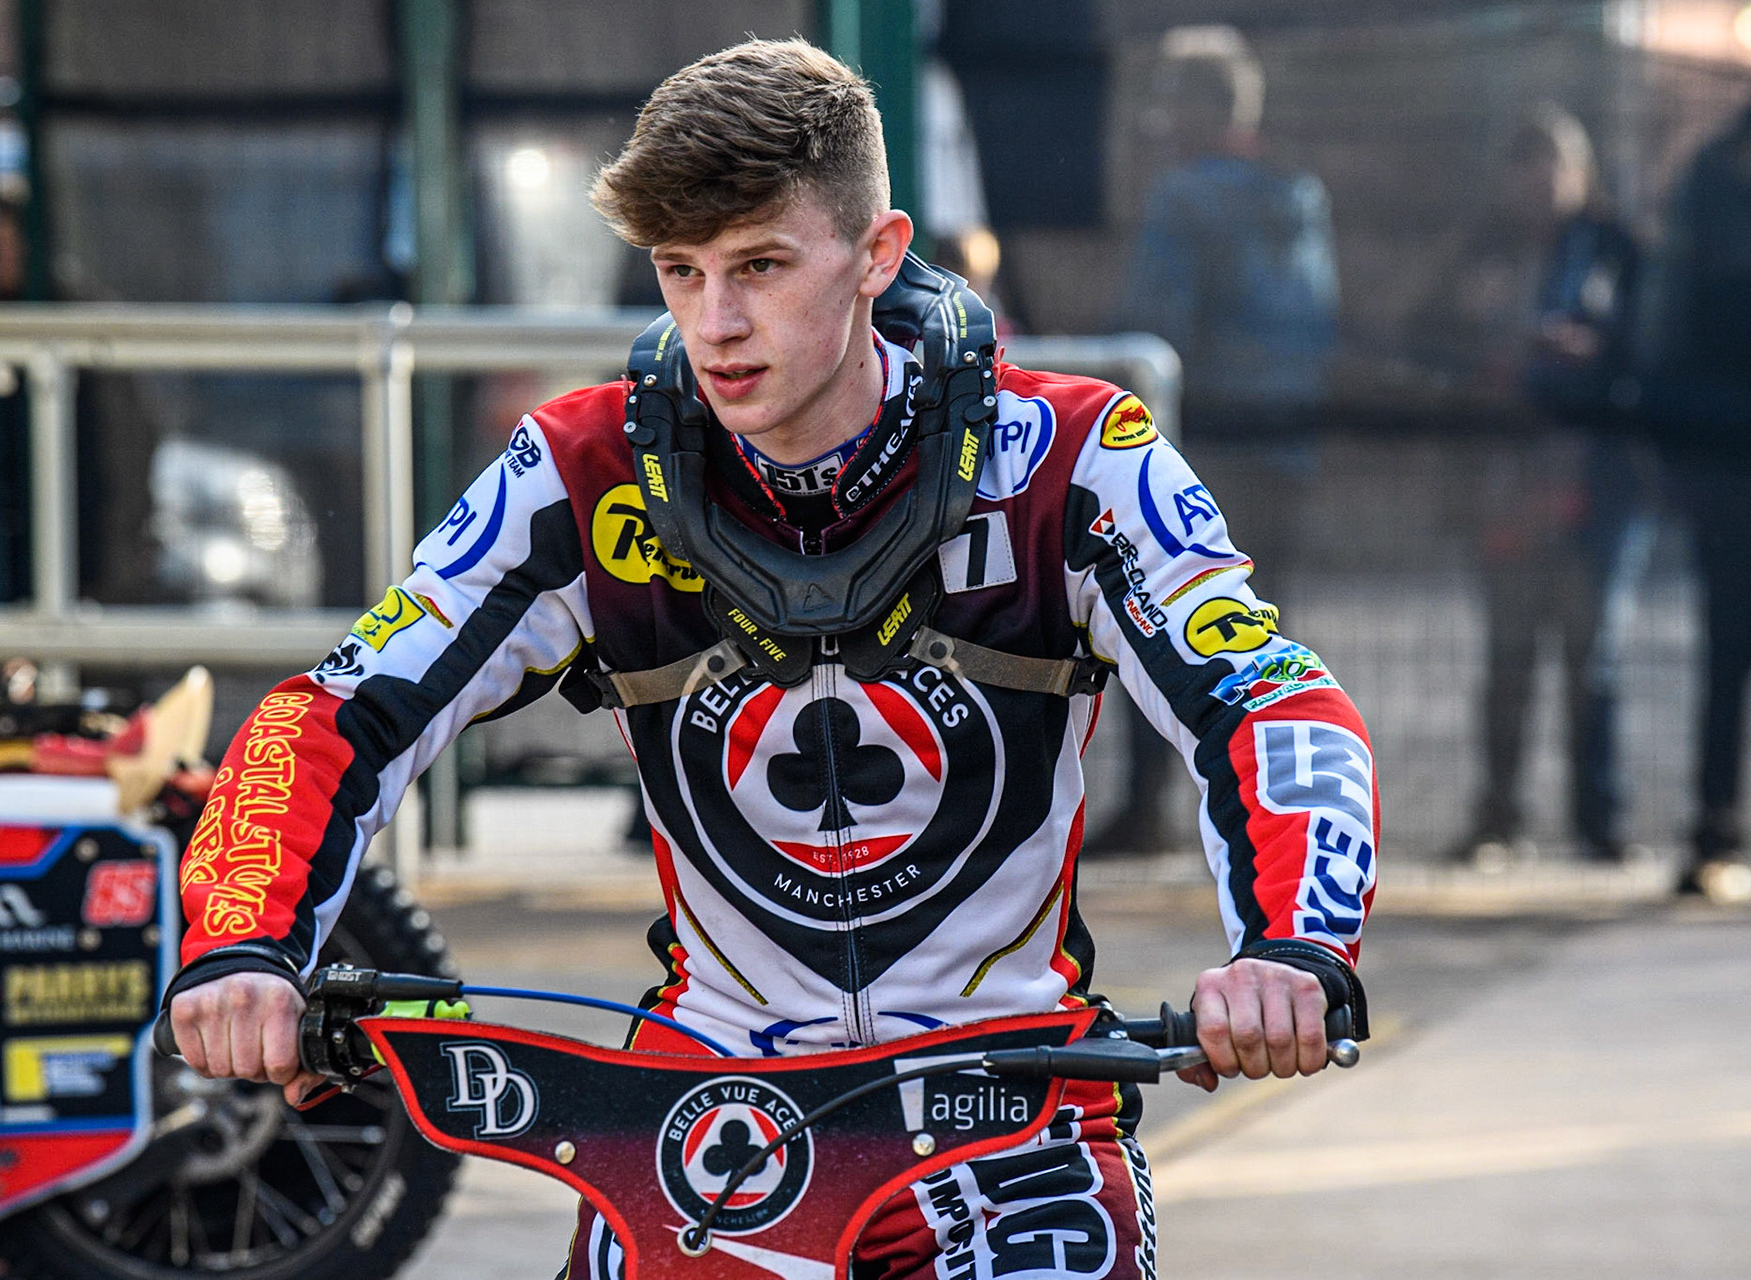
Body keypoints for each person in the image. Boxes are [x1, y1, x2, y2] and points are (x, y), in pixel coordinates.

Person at [163, 39, 1378, 1278]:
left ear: (878, 253)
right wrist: (243, 948)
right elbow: (337, 708)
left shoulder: (1069, 453)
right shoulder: (580, 470)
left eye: (759, 266)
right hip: (706, 1122)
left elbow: (1270, 699)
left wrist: (1292, 946)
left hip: (1008, 1111)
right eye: (680, 274)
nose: (717, 323)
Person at [1095, 25, 1341, 857]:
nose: (1159, 119)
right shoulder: (1300, 196)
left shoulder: (1181, 199)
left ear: (1200, 106)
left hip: (1202, 449)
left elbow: (1153, 323)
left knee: (1162, 622)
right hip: (1286, 447)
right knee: (1261, 639)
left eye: (1171, 99)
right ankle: (1266, 812)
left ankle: (1152, 807)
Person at [1420, 106, 1653, 869]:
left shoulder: (1618, 251)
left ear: (1580, 175)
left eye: (1552, 168)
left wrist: (1598, 353)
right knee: (1508, 655)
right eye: (1524, 169)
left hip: (1596, 484)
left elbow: (1653, 349)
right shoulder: (1479, 253)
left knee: (1595, 655)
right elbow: (1428, 338)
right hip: (1506, 486)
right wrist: (1487, 335)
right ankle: (1498, 813)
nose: (1538, 185)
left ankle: (1600, 819)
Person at [1636, 85, 1751, 899]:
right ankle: (1713, 830)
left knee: (1727, 656)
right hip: (1732, 471)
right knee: (1728, 655)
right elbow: (1667, 328)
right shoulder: (1712, 188)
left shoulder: (1713, 181)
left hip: (1725, 464)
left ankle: (1715, 829)